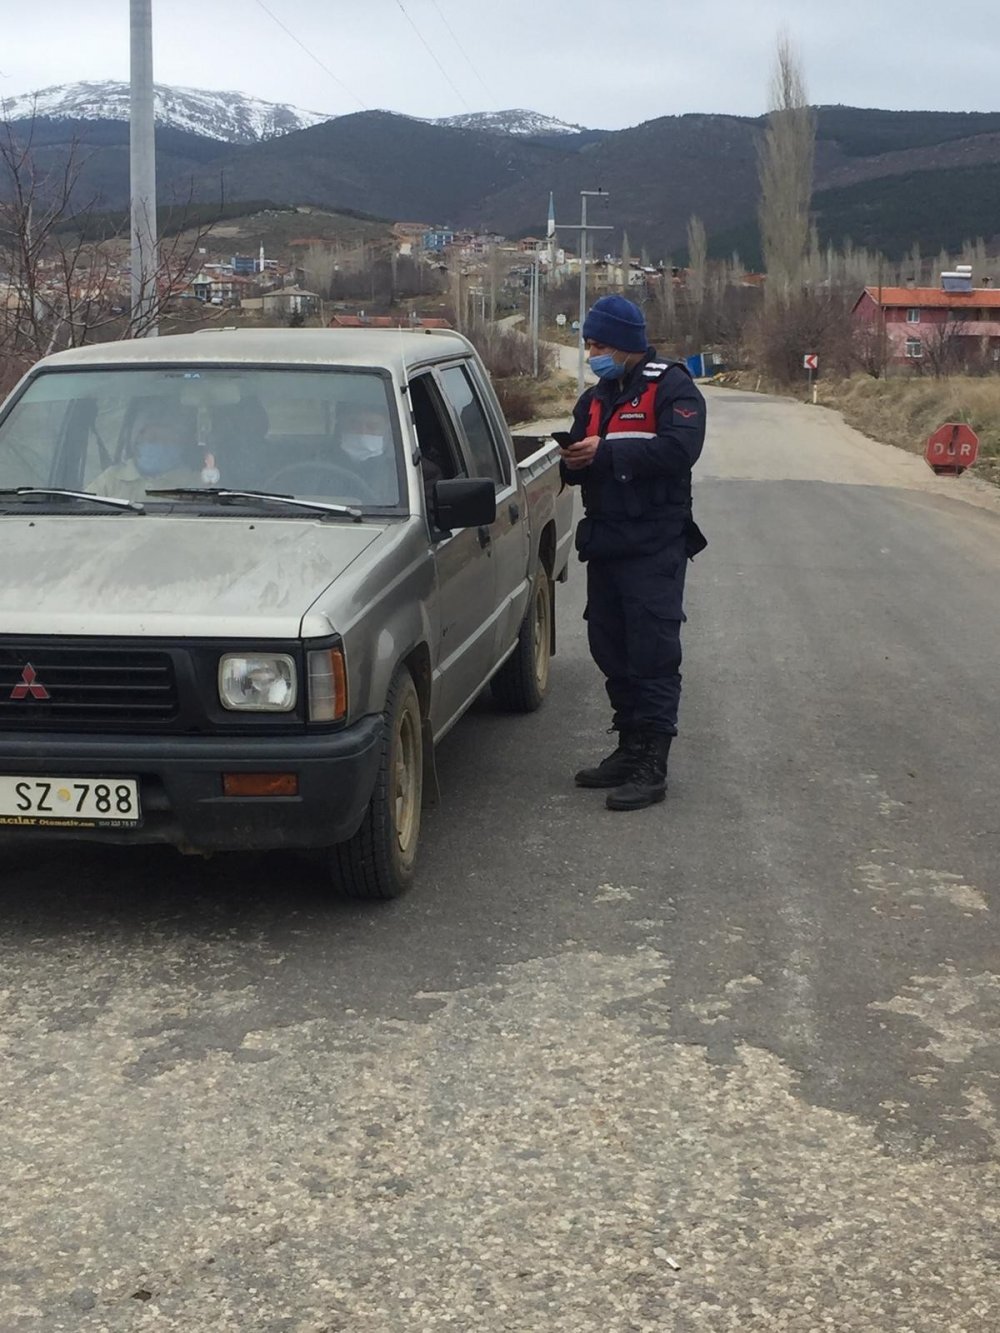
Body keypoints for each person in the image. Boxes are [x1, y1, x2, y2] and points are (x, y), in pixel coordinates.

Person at [559, 294, 707, 812]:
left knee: (653, 651)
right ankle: (628, 747)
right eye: (588, 344)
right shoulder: (595, 397)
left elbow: (679, 450)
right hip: (607, 541)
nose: (591, 353)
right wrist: (574, 460)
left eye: (597, 344)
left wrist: (610, 452)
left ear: (624, 342)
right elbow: (577, 458)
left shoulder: (673, 386)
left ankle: (653, 763)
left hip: (655, 542)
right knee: (610, 646)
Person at [89, 399, 204, 501]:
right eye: (146, 436)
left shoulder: (198, 486)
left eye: (161, 438)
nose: (151, 443)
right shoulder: (111, 480)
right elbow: (81, 509)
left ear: (182, 441)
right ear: (133, 439)